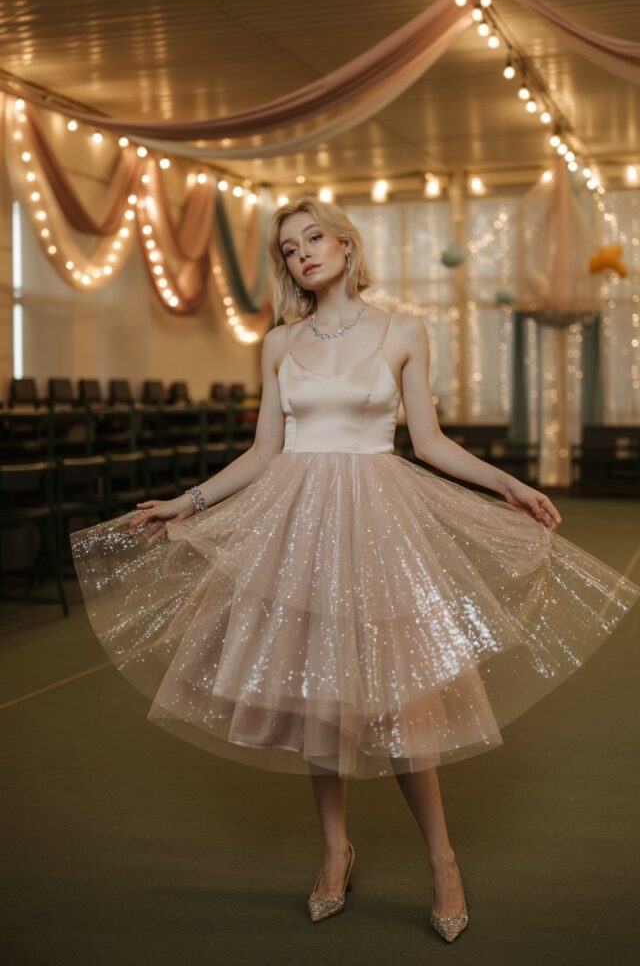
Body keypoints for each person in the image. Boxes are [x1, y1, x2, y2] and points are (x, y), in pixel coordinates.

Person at [71, 196, 640, 943]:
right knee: (319, 697)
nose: (301, 253)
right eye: (288, 247)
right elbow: (263, 451)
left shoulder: (403, 330)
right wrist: (187, 501)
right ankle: (336, 850)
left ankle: (442, 859)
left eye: (313, 237)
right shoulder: (279, 343)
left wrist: (508, 484)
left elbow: (429, 442)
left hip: (378, 522)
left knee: (403, 704)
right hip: (297, 524)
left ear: (345, 243)